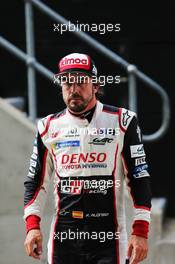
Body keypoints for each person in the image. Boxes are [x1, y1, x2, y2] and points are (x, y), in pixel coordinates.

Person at [24, 52, 152, 264]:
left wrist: (140, 230)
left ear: (95, 85)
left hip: (110, 238)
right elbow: (36, 181)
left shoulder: (122, 121)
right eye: (67, 82)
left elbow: (139, 177)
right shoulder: (47, 126)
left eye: (81, 82)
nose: (73, 89)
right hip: (64, 238)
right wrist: (32, 226)